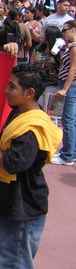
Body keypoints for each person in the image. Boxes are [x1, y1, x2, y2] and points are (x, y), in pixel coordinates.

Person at [0, 65, 62, 269]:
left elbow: (16, 163)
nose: (6, 90)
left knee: (19, 258)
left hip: (24, 203)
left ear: (29, 93)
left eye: (12, 87)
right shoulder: (20, 114)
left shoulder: (32, 128)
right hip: (11, 198)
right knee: (9, 254)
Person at [52, 19, 76, 165]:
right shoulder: (70, 46)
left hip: (70, 86)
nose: (63, 33)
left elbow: (72, 69)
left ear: (73, 29)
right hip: (70, 85)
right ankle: (70, 152)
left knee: (68, 120)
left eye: (65, 30)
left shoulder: (74, 46)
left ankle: (67, 155)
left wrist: (65, 89)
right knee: (71, 120)